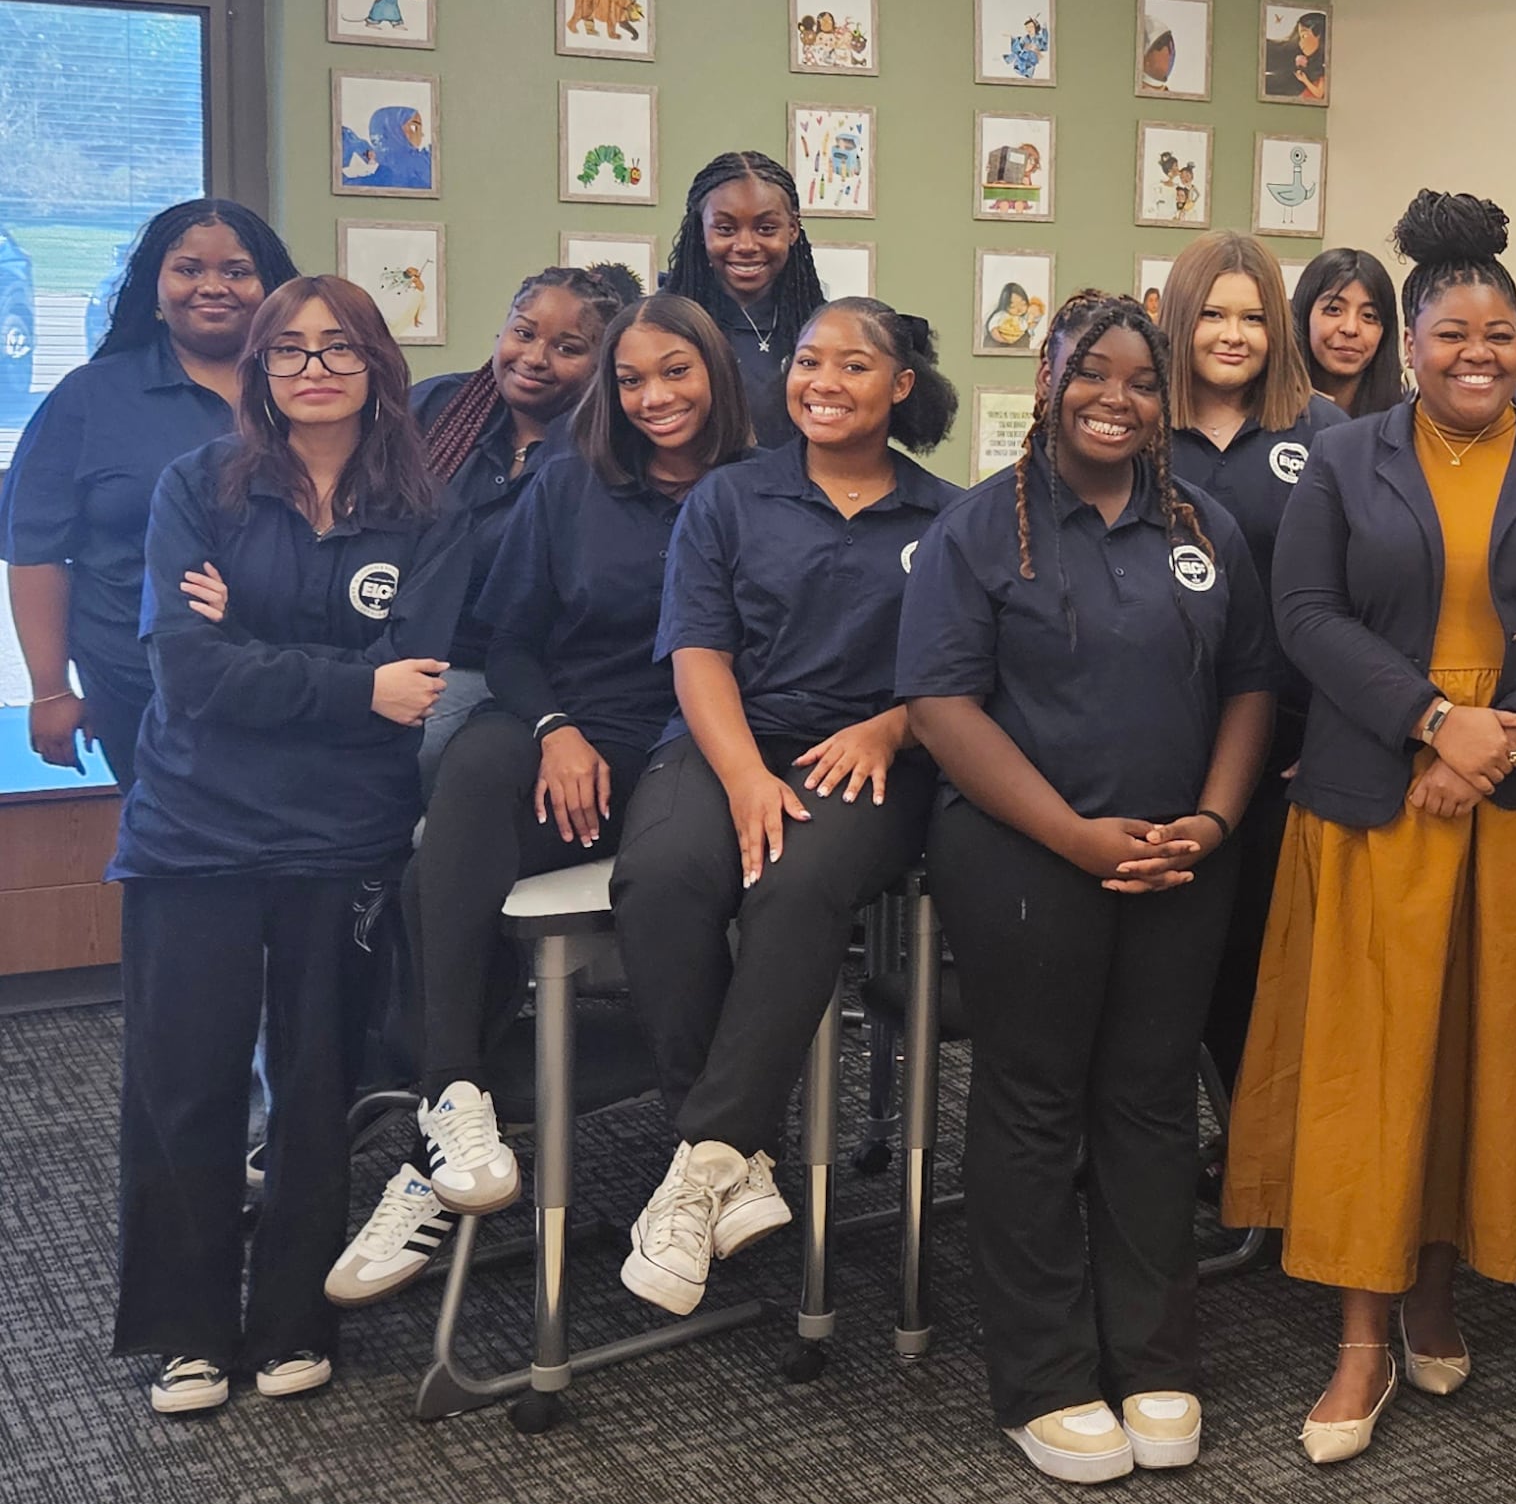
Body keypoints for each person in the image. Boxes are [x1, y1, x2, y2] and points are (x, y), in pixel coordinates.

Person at [1225, 191, 1516, 1465]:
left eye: (1502, 333)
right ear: (1409, 345)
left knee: (1487, 1056)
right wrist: (1427, 720)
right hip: (1378, 801)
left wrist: (1497, 739)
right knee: (1376, 1069)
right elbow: (1303, 613)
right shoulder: (1347, 457)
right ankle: (1360, 1339)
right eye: (1455, 331)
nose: (1481, 353)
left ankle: (1437, 1293)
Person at [900, 295, 1279, 1484]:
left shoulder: (1204, 524)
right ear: (1048, 380)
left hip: (1179, 855)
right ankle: (1048, 1375)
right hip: (1023, 856)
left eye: (1139, 379)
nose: (1116, 397)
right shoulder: (982, 530)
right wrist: (1072, 835)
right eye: (1091, 374)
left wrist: (1213, 822)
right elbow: (941, 707)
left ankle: (1155, 1353)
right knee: (1033, 1100)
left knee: (1155, 1098)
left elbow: (1252, 687)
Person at [325, 296, 757, 1305]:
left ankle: (439, 1153)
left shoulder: (760, 493)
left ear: (718, 378)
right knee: (474, 774)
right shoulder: (570, 485)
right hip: (577, 733)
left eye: (676, 374)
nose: (654, 397)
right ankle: (453, 1097)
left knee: (454, 850)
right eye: (632, 378)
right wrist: (555, 727)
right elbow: (510, 642)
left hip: (693, 747)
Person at [111, 276, 464, 1414]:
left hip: (339, 837)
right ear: (260, 367)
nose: (314, 367)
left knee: (317, 1089)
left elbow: (423, 688)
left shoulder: (428, 514)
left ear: (377, 364)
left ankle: (295, 1316)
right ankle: (189, 1329)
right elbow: (189, 675)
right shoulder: (196, 488)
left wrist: (283, 663)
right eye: (290, 349)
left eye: (339, 347)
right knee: (186, 1083)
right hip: (194, 826)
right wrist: (355, 683)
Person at [607, 298, 960, 1317]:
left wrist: (891, 729)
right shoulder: (728, 498)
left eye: (855, 365)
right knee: (664, 874)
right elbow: (699, 653)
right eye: (809, 361)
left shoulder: (949, 516)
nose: (824, 381)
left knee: (796, 881)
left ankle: (698, 1166)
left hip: (872, 753)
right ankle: (731, 1157)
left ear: (899, 386)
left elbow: (962, 673)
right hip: (728, 738)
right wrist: (747, 776)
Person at [5, 199, 297, 794]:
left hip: (294, 676)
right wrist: (51, 690)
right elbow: (35, 550)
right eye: (189, 269)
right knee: (176, 853)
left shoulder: (308, 389)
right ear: (154, 288)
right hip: (136, 682)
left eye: (237, 271)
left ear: (271, 289)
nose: (213, 286)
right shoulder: (90, 397)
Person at [1156, 233, 1350, 1092]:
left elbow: (1369, 592)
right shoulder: (1134, 422)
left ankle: (1255, 1174)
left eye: (1252, 317)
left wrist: (1346, 730)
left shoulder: (1325, 431)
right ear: (1176, 319)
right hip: (1156, 734)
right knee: (1166, 965)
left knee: (1262, 965)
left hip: (1292, 746)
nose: (1231, 335)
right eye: (1211, 314)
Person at [411, 264, 640, 779]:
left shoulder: (603, 454)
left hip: (503, 672)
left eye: (568, 347)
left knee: (386, 752)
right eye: (524, 333)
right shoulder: (436, 408)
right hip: (393, 650)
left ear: (603, 364)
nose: (534, 358)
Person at [658, 150, 831, 446]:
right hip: (692, 490)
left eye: (766, 228)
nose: (746, 245)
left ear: (792, 229)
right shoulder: (659, 324)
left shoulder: (824, 327)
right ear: (701, 230)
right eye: (726, 229)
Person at [1290, 246, 1402, 418]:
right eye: (1334, 309)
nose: (1350, 329)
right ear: (1304, 314)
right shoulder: (1262, 414)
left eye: (1369, 316)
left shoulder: (1402, 422)